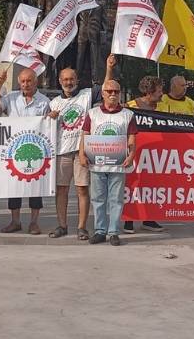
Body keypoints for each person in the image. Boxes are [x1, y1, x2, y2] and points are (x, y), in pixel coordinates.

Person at [48, 59, 115, 240]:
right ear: (60, 81)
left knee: (82, 190)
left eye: (72, 79)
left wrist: (108, 67)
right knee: (61, 190)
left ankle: (81, 227)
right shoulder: (53, 103)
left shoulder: (86, 95)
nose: (69, 83)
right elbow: (45, 127)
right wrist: (49, 117)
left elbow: (107, 88)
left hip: (82, 151)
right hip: (61, 151)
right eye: (65, 80)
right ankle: (62, 225)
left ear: (77, 80)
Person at [0, 67, 51, 235]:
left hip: (36, 149)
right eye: (22, 81)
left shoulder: (45, 101)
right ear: (19, 82)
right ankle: (15, 221)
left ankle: (33, 222)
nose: (26, 84)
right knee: (14, 188)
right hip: (14, 151)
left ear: (36, 81)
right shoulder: (11, 98)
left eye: (29, 80)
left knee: (35, 188)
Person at [80, 79, 137, 246]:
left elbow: (132, 138)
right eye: (109, 91)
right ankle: (99, 231)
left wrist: (131, 155)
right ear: (103, 93)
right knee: (98, 199)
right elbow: (85, 134)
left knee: (116, 199)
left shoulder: (128, 115)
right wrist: (82, 154)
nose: (113, 94)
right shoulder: (92, 113)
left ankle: (113, 232)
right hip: (96, 164)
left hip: (118, 164)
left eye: (116, 92)